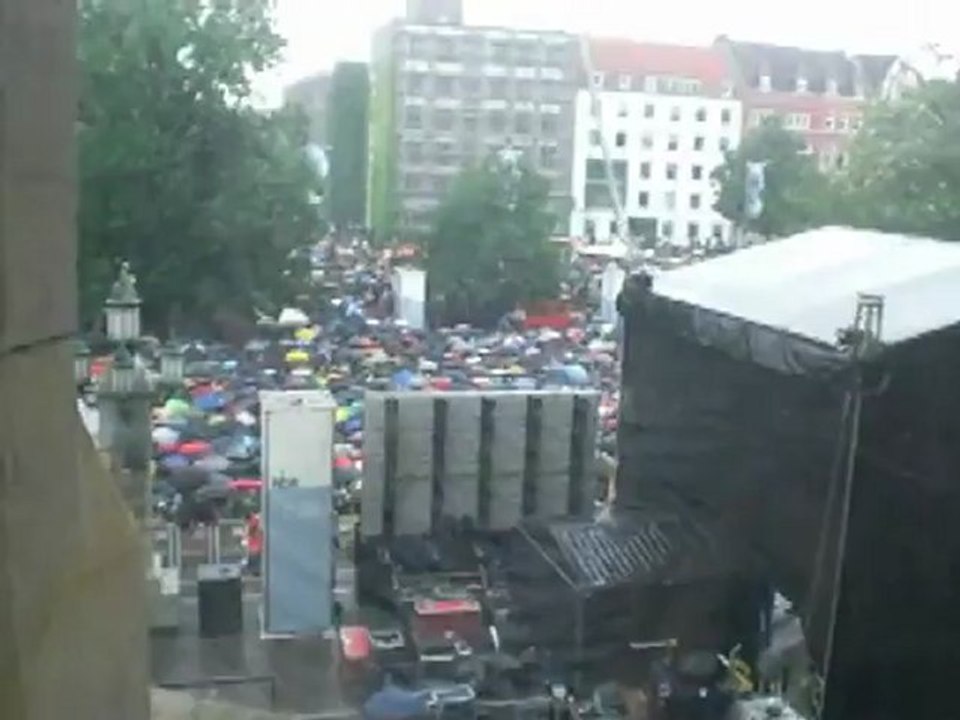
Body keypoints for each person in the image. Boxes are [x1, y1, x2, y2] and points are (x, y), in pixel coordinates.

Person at [244, 511, 263, 576]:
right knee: (256, 558)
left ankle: (255, 571)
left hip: (255, 545)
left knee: (254, 558)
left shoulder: (253, 522)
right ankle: (256, 571)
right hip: (257, 545)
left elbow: (253, 533)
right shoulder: (257, 519)